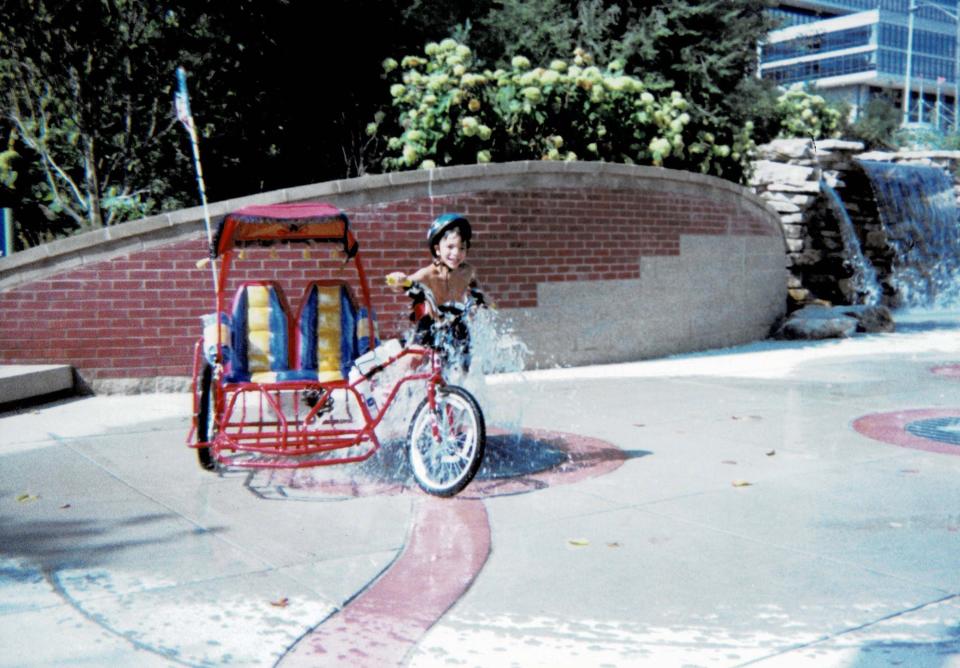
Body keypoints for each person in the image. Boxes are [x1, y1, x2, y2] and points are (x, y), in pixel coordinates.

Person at [386, 213, 486, 372]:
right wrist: (398, 279)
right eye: (451, 247)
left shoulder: (467, 272)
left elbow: (477, 292)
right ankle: (392, 385)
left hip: (457, 324)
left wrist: (480, 303)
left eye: (462, 248)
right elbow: (403, 284)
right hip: (431, 324)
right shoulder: (428, 274)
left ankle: (454, 394)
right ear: (437, 249)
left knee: (463, 366)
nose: (456, 253)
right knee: (414, 357)